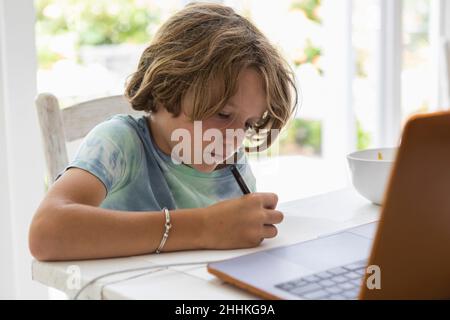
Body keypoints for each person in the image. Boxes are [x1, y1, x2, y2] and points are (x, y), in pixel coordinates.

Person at [29, 2, 297, 261]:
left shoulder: (230, 163)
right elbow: (46, 232)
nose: (234, 136)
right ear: (167, 86)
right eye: (223, 114)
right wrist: (203, 227)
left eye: (248, 123)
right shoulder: (121, 143)